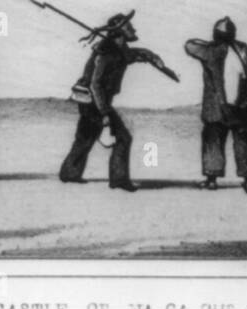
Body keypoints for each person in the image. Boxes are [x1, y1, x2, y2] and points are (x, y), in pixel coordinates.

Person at [59, 11, 166, 191]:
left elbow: (130, 56)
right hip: (95, 101)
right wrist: (105, 112)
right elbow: (96, 84)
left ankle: (69, 173)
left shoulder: (118, 49)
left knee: (86, 137)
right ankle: (118, 179)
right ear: (119, 32)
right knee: (123, 137)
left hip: (91, 102)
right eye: (128, 27)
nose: (133, 29)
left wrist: (150, 55)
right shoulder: (106, 52)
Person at [184, 17, 247, 193]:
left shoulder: (209, 50)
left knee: (214, 141)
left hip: (218, 107)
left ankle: (212, 179)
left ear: (216, 35)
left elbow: (189, 45)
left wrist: (209, 43)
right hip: (244, 106)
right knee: (244, 143)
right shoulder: (245, 49)